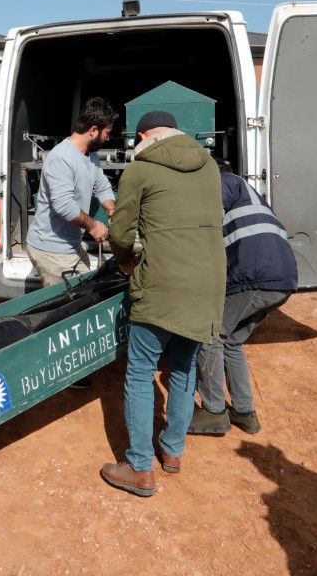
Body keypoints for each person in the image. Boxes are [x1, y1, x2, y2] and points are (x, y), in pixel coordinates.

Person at [102, 111, 226, 496]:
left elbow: (121, 232)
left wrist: (126, 263)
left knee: (140, 371)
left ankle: (140, 468)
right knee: (184, 366)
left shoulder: (140, 169)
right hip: (207, 284)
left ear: (142, 136)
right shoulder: (210, 166)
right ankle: (172, 452)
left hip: (161, 284)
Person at [189, 161, 298, 436]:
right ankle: (244, 412)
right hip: (281, 280)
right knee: (232, 341)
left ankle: (213, 411)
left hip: (256, 277)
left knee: (210, 336)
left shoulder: (228, 181)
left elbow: (205, 219)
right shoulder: (255, 201)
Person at [24, 96, 119, 388]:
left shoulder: (88, 155)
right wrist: (93, 225)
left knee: (82, 298)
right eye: (106, 132)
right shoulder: (60, 158)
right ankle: (67, 373)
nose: (108, 137)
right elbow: (64, 207)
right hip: (50, 248)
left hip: (69, 245)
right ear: (93, 129)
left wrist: (113, 209)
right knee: (66, 311)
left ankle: (76, 361)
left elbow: (100, 183)